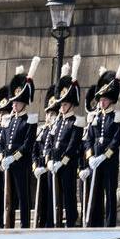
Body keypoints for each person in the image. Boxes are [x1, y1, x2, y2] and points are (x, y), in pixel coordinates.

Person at [0, 62, 39, 229]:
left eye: (17, 102)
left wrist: (13, 157)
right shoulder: (8, 120)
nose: (14, 104)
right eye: (13, 102)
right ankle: (9, 225)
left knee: (22, 197)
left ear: (24, 103)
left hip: (21, 163)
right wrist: (1, 156)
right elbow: (1, 141)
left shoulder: (29, 120)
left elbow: (28, 144)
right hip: (7, 164)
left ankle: (25, 226)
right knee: (8, 198)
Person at [83, 61, 120, 227]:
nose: (101, 102)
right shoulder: (95, 117)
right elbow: (89, 138)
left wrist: (104, 156)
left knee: (110, 193)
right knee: (95, 193)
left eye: (104, 99)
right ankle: (95, 223)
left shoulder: (117, 117)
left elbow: (117, 140)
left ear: (110, 100)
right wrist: (90, 156)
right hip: (95, 159)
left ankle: (109, 224)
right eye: (100, 99)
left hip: (109, 161)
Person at [40, 73, 84, 228]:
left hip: (68, 164)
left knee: (68, 195)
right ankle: (52, 222)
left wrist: (62, 161)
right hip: (54, 163)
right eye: (61, 105)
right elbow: (51, 142)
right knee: (52, 195)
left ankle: (71, 221)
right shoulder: (58, 122)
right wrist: (50, 160)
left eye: (65, 105)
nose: (62, 107)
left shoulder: (76, 122)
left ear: (71, 105)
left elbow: (73, 146)